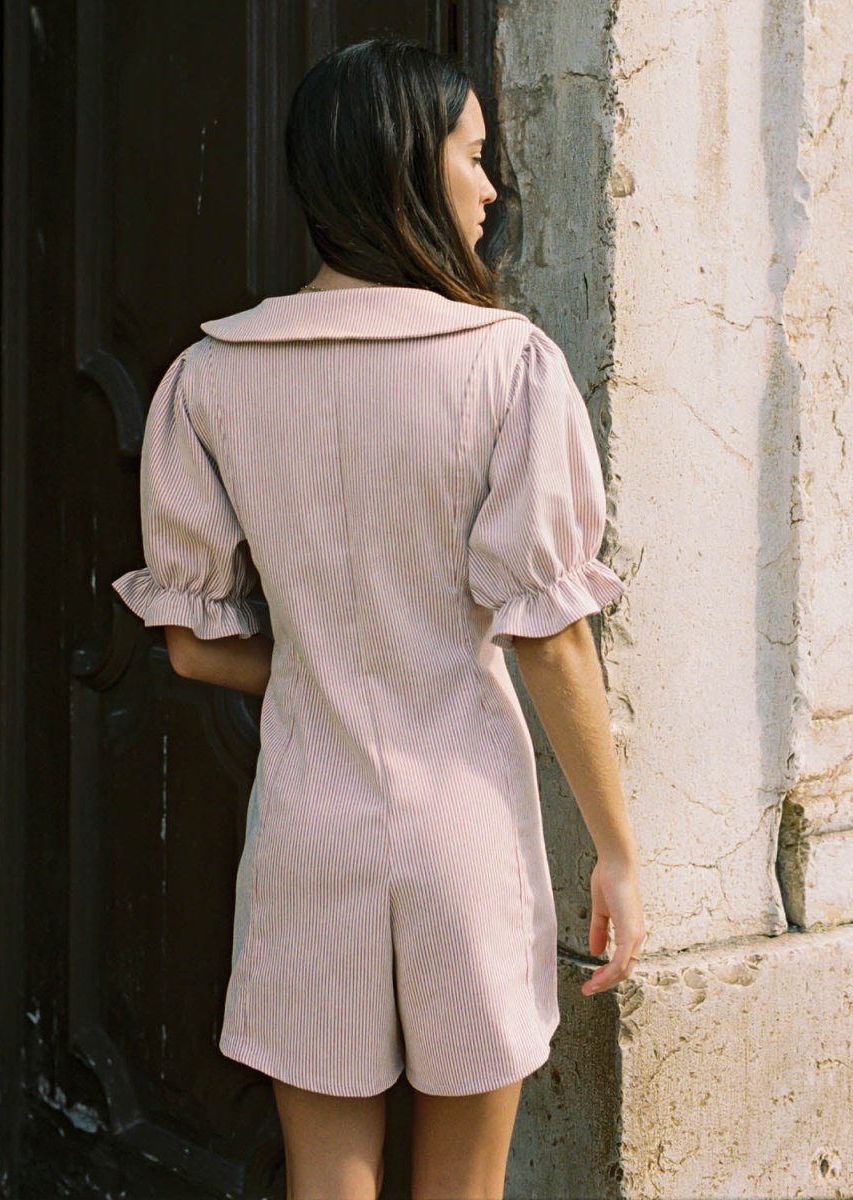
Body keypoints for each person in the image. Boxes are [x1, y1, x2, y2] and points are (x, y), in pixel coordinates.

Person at [112, 35, 646, 1200]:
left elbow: (194, 648)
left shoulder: (208, 378)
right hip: (464, 824)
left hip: (310, 822)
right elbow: (549, 636)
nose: (491, 186)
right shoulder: (511, 366)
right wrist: (616, 850)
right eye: (473, 155)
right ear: (405, 163)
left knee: (328, 1181)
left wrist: (322, 662)